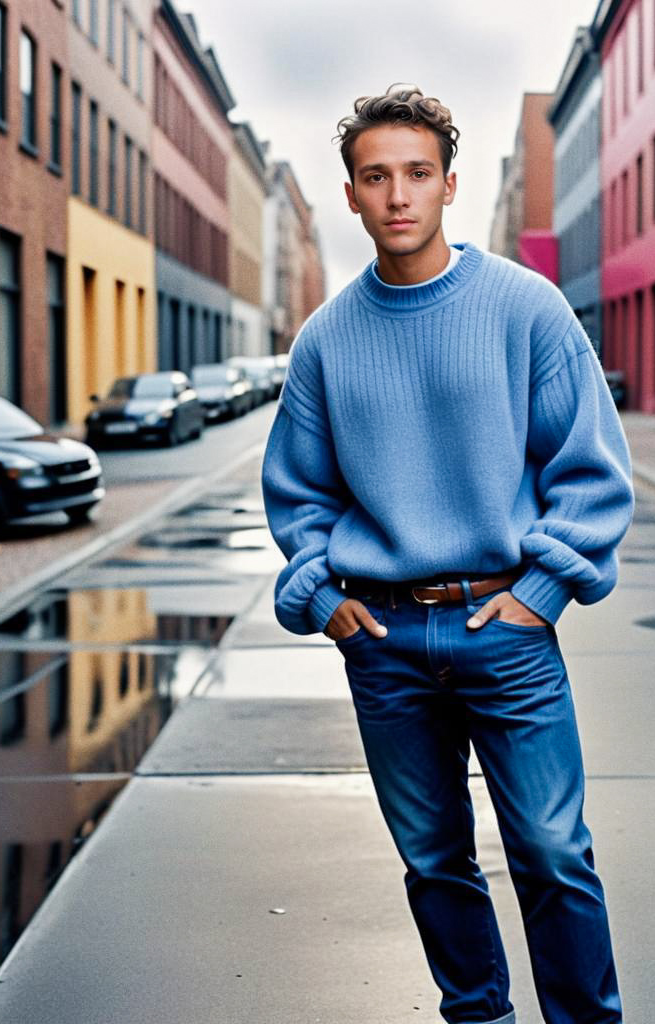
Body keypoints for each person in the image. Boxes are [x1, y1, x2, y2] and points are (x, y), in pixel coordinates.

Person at [261, 83, 634, 1024]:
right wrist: (321, 596)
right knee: (433, 858)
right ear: (350, 194)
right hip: (383, 637)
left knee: (552, 851)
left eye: (416, 174)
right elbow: (298, 492)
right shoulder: (325, 342)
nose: (397, 196)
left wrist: (544, 589)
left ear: (449, 185)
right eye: (376, 177)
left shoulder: (526, 308)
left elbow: (589, 466)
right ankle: (479, 1018)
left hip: (503, 624)